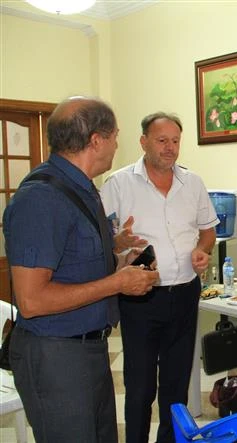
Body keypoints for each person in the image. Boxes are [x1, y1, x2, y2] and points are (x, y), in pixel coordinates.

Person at [3, 97, 159, 442]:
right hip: (55, 355)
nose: (118, 144)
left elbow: (74, 266)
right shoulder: (41, 199)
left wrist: (119, 260)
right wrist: (117, 283)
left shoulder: (84, 189)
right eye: (116, 135)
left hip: (89, 349)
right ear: (96, 140)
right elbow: (32, 300)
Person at [100, 112, 218, 443]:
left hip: (184, 294)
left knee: (176, 384)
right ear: (143, 142)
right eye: (162, 140)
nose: (170, 148)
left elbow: (207, 232)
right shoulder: (119, 184)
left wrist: (202, 251)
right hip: (140, 298)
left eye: (176, 141)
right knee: (138, 388)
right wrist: (119, 244)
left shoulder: (192, 182)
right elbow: (101, 241)